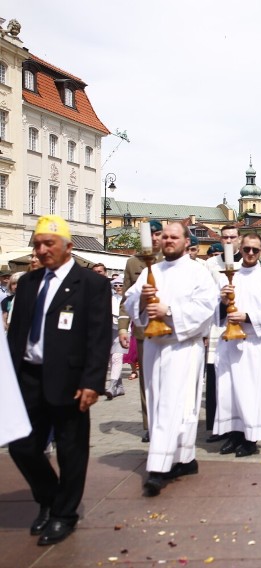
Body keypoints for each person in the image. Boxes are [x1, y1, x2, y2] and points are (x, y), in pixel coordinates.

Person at [7, 215, 112, 545]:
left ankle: (64, 514)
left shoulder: (91, 284)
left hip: (69, 379)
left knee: (71, 449)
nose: (40, 250)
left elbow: (98, 336)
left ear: (68, 247)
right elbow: (16, 334)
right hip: (28, 377)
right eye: (37, 244)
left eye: (48, 244)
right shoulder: (28, 283)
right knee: (22, 446)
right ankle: (49, 498)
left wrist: (93, 381)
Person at [124, 222, 219, 497]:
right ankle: (184, 458)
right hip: (155, 346)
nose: (167, 240)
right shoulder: (151, 270)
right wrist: (141, 300)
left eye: (173, 237)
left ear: (186, 241)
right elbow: (130, 300)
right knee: (157, 403)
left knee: (176, 404)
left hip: (183, 346)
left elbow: (207, 307)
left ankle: (159, 467)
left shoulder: (198, 271)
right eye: (163, 236)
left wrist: (170, 310)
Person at [213, 233, 261, 458]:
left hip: (255, 344)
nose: (250, 253)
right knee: (230, 392)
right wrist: (223, 303)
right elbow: (214, 313)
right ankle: (233, 434)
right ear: (239, 250)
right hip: (230, 343)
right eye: (246, 249)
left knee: (252, 393)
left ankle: (250, 439)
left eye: (255, 250)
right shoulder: (227, 276)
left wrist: (247, 316)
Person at [118, 219, 164, 443]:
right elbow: (126, 298)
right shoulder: (133, 262)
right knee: (146, 380)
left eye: (158, 234)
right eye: (151, 234)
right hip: (144, 329)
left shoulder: (170, 259)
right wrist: (122, 327)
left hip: (167, 328)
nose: (154, 238)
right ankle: (149, 424)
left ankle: (167, 420)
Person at [203, 227, 241, 442]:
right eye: (224, 237)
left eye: (232, 237)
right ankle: (216, 426)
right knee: (215, 376)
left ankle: (235, 424)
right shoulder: (210, 265)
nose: (228, 241)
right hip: (216, 325)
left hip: (239, 324)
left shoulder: (245, 262)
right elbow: (205, 296)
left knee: (235, 375)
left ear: (239, 239)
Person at [105, 277, 128, 400]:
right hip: (109, 330)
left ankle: (112, 386)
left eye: (120, 285)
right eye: (116, 285)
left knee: (117, 357)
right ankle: (119, 387)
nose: (118, 287)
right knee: (110, 358)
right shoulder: (109, 298)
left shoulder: (127, 298)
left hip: (123, 331)